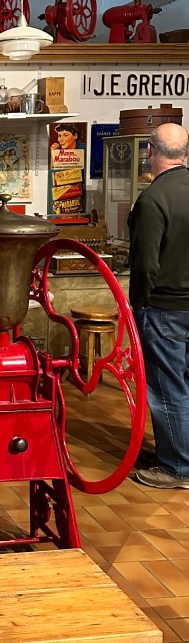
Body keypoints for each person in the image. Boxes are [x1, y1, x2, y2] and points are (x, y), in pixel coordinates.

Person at [128, 123, 189, 489]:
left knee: (168, 387)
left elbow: (145, 265)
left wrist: (137, 305)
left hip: (165, 307)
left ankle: (178, 467)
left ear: (149, 152)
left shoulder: (152, 199)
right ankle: (179, 451)